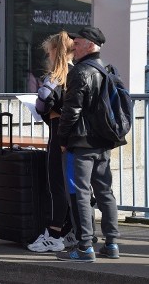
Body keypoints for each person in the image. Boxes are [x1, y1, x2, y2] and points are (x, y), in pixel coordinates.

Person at [56, 26, 121, 262]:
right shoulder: (107, 70)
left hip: (80, 144)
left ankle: (85, 248)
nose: (73, 44)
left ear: (91, 45)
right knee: (105, 192)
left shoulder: (80, 72)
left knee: (79, 194)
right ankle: (112, 244)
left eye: (78, 41)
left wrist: (62, 140)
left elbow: (71, 111)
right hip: (102, 143)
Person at [27, 32, 76, 253]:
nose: (47, 55)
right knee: (75, 186)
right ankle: (72, 230)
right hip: (79, 136)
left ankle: (55, 233)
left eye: (49, 51)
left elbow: (43, 103)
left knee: (56, 182)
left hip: (59, 133)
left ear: (57, 51)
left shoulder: (57, 76)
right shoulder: (80, 72)